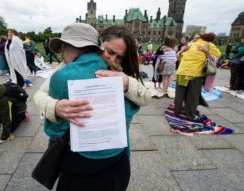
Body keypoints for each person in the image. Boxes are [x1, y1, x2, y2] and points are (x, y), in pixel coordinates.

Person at [34, 24, 151, 191]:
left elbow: (146, 97)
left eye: (120, 57)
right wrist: (55, 106)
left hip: (111, 150)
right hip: (91, 156)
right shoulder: (66, 66)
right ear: (99, 46)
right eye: (110, 52)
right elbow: (39, 94)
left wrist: (126, 82)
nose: (113, 60)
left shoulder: (121, 71)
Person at [174, 33, 221, 120]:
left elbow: (179, 57)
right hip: (195, 73)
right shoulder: (209, 44)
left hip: (182, 71)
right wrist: (206, 51)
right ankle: (191, 115)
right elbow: (217, 55)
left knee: (179, 94)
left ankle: (177, 112)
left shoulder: (191, 44)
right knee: (193, 95)